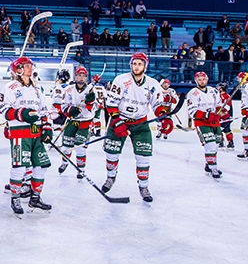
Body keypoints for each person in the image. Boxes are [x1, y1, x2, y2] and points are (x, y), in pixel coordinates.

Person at [102, 52, 171, 203]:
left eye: (140, 64)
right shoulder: (120, 80)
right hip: (119, 121)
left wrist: (164, 118)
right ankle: (111, 177)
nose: (137, 66)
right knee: (111, 153)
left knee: (143, 157)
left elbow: (158, 105)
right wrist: (117, 121)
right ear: (131, 65)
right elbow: (111, 103)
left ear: (145, 66)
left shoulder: (153, 84)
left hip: (140, 124)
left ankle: (144, 186)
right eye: (134, 63)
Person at [0, 56, 53, 215]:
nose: (30, 68)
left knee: (42, 165)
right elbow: (4, 110)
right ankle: (15, 198)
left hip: (36, 133)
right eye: (26, 65)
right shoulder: (10, 87)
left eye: (30, 65)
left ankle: (35, 198)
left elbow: (43, 111)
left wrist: (47, 128)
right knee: (19, 166)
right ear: (18, 69)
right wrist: (21, 113)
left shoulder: (38, 88)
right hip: (19, 133)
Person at [57, 66, 96, 179]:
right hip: (72, 121)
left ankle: (81, 170)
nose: (81, 78)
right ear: (75, 76)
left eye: (83, 76)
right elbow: (63, 105)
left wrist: (90, 103)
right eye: (79, 75)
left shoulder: (91, 90)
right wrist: (69, 111)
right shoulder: (68, 89)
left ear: (86, 78)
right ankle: (64, 163)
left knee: (80, 148)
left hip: (85, 122)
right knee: (66, 147)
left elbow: (96, 108)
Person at [186, 71, 224, 179]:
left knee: (216, 145)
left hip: (214, 122)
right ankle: (213, 168)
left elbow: (218, 106)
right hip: (201, 123)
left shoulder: (214, 91)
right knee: (210, 145)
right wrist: (207, 115)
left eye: (203, 79)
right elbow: (193, 111)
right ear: (196, 81)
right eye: (199, 79)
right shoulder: (192, 93)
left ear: (206, 79)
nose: (202, 81)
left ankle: (208, 165)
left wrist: (221, 112)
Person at [216, 82, 235, 151]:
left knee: (221, 129)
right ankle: (228, 143)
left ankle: (224, 142)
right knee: (225, 130)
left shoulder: (227, 96)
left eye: (219, 87)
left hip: (226, 116)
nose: (217, 88)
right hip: (220, 116)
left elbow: (227, 108)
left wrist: (222, 110)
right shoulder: (217, 95)